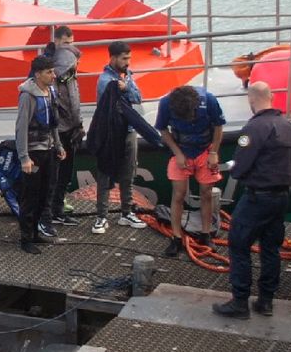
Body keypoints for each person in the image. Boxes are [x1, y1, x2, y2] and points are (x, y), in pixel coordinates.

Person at [212, 82, 291, 319]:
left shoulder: (254, 128)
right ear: (271, 97)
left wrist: (237, 171)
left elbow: (240, 166)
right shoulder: (288, 126)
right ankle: (266, 300)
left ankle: (240, 301)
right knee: (271, 248)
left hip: (258, 196)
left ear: (251, 100)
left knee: (239, 245)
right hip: (281, 197)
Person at [155, 85, 225, 248]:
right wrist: (177, 152)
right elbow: (162, 129)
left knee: (206, 193)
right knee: (179, 194)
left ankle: (206, 234)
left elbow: (218, 126)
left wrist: (214, 152)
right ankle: (176, 237)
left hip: (205, 150)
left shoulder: (209, 101)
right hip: (181, 149)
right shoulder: (166, 103)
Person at [91, 41, 145, 234]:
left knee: (128, 173)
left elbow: (138, 97)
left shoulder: (127, 76)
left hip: (129, 131)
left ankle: (126, 212)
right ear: (113, 58)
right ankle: (101, 216)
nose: (127, 62)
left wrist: (127, 88)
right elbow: (116, 102)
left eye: (129, 58)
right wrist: (125, 90)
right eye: (124, 58)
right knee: (105, 173)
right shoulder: (105, 80)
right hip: (111, 133)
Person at [14, 55, 66, 253]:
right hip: (34, 154)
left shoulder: (51, 92)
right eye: (49, 72)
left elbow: (53, 123)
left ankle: (35, 232)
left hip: (49, 151)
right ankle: (26, 238)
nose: (53, 75)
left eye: (53, 71)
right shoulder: (28, 96)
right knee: (30, 196)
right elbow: (21, 128)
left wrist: (59, 145)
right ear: (38, 74)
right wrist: (24, 157)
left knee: (45, 194)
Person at [44, 26, 83, 227]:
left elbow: (74, 98)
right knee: (55, 174)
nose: (69, 48)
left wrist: (79, 124)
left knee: (65, 174)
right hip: (58, 130)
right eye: (65, 43)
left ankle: (57, 210)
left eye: (71, 43)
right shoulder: (50, 71)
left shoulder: (69, 71)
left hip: (71, 127)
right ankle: (50, 213)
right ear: (57, 41)